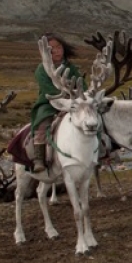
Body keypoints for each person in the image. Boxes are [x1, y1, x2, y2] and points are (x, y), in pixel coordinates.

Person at [29, 33, 86, 173]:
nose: (56, 51)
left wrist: (82, 94)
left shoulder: (71, 67)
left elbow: (81, 84)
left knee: (90, 118)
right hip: (49, 103)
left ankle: (101, 149)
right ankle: (39, 158)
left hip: (73, 101)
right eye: (51, 48)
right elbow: (48, 89)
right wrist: (62, 98)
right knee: (42, 124)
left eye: (59, 47)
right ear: (45, 52)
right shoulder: (41, 69)